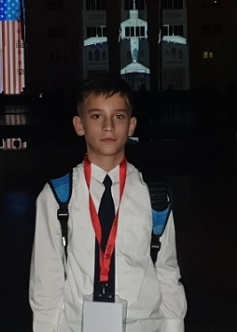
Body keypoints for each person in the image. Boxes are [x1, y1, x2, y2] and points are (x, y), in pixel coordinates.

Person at [29, 75, 187, 332]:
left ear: (131, 125)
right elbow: (46, 280)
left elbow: (167, 271)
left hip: (142, 325)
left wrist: (173, 326)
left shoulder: (154, 196)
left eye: (119, 116)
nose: (109, 127)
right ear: (79, 125)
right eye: (96, 116)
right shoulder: (58, 197)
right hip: (79, 326)